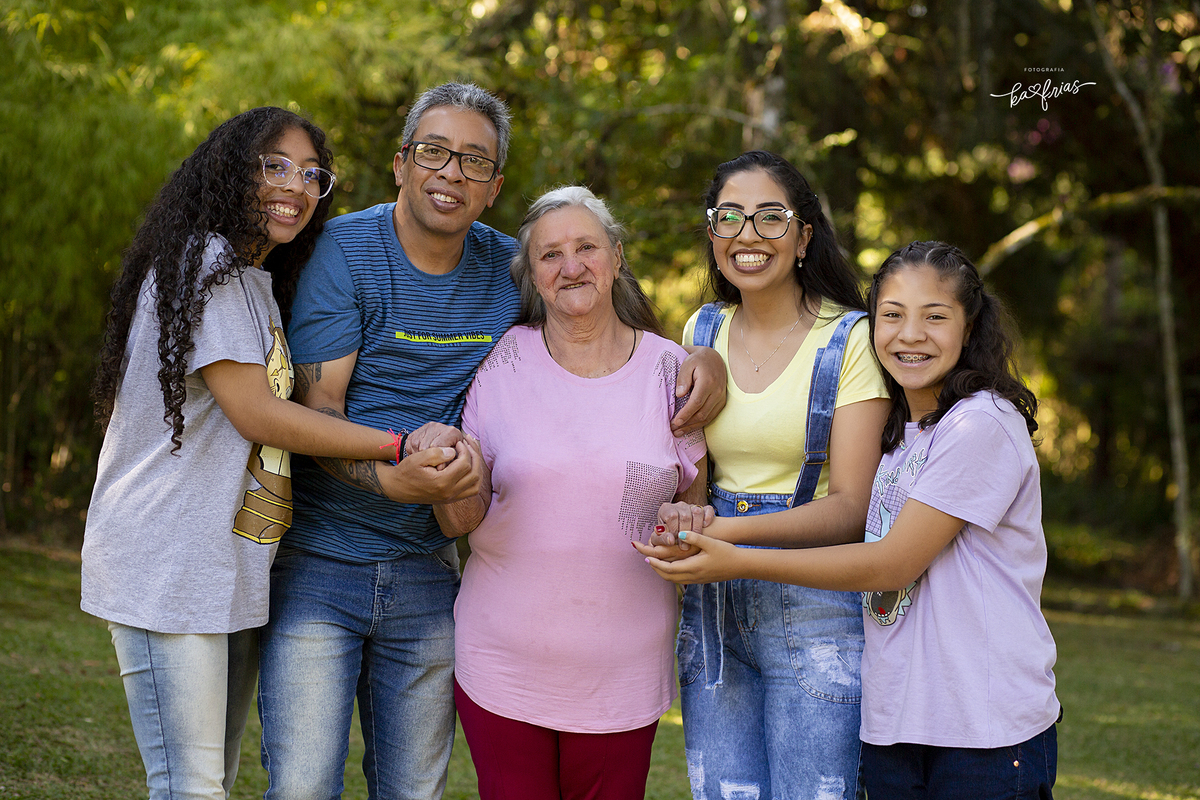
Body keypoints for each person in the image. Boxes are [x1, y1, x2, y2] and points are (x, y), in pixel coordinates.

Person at [257, 83, 727, 800]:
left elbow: (595, 314)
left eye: (473, 160)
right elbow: (317, 408)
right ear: (401, 163)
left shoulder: (511, 266)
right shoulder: (343, 251)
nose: (451, 172)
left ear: (494, 185)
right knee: (302, 787)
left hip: (427, 565)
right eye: (434, 152)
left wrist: (703, 359)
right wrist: (393, 473)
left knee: (413, 790)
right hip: (324, 558)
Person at [81, 107, 450, 800]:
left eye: (312, 174)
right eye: (274, 166)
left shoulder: (255, 279)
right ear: (230, 172)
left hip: (226, 567)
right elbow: (259, 413)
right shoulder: (204, 261)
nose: (296, 186)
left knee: (210, 781)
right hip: (168, 559)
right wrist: (397, 444)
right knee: (190, 787)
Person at [640, 241, 1061, 799]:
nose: (911, 335)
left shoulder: (980, 424)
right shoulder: (900, 437)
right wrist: (714, 527)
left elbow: (891, 565)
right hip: (896, 726)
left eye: (935, 317)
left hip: (984, 728)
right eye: (892, 315)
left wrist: (735, 557)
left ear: (970, 325)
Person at [434, 186, 708, 800]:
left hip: (623, 671)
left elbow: (694, 515)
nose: (571, 266)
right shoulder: (502, 361)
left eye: (586, 247)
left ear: (616, 256)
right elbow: (459, 519)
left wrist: (684, 530)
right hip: (502, 663)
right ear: (532, 275)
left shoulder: (671, 370)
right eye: (550, 254)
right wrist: (448, 474)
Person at [649, 150, 890, 800]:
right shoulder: (701, 329)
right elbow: (691, 472)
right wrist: (687, 519)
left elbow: (852, 508)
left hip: (815, 609)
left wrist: (728, 538)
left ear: (804, 235)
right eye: (730, 216)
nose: (747, 234)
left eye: (770, 217)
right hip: (713, 609)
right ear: (712, 232)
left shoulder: (852, 339)